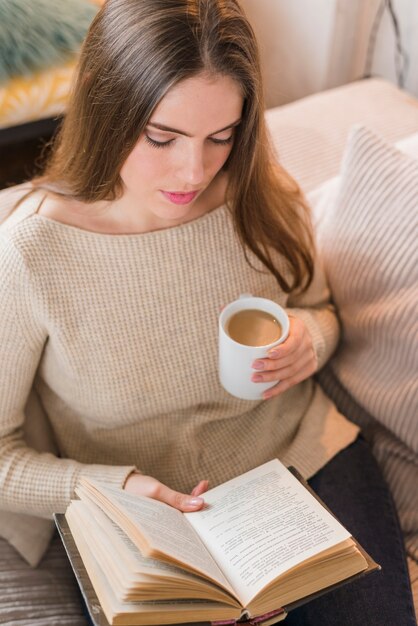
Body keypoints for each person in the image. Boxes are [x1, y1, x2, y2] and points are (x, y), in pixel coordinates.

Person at [0, 0, 415, 624]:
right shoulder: (32, 254)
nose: (192, 171)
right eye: (161, 137)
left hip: (304, 464)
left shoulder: (260, 197)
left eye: (220, 137)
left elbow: (319, 309)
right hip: (146, 516)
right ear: (103, 105)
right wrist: (112, 488)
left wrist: (313, 338)